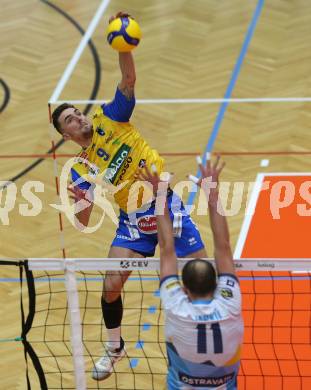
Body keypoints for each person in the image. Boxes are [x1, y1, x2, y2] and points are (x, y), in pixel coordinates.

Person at [51, 12, 207, 381]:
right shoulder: (79, 167)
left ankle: (202, 338)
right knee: (110, 286)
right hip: (134, 222)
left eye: (77, 112)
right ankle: (114, 346)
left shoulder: (111, 118)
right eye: (70, 120)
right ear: (66, 134)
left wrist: (124, 46)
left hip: (165, 202)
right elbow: (83, 222)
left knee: (202, 272)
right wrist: (79, 200)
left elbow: (128, 78)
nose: (79, 119)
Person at [140, 156, 244, 389]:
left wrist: (159, 197)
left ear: (184, 289)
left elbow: (166, 248)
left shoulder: (177, 307)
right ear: (217, 284)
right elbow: (224, 246)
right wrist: (212, 193)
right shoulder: (230, 302)